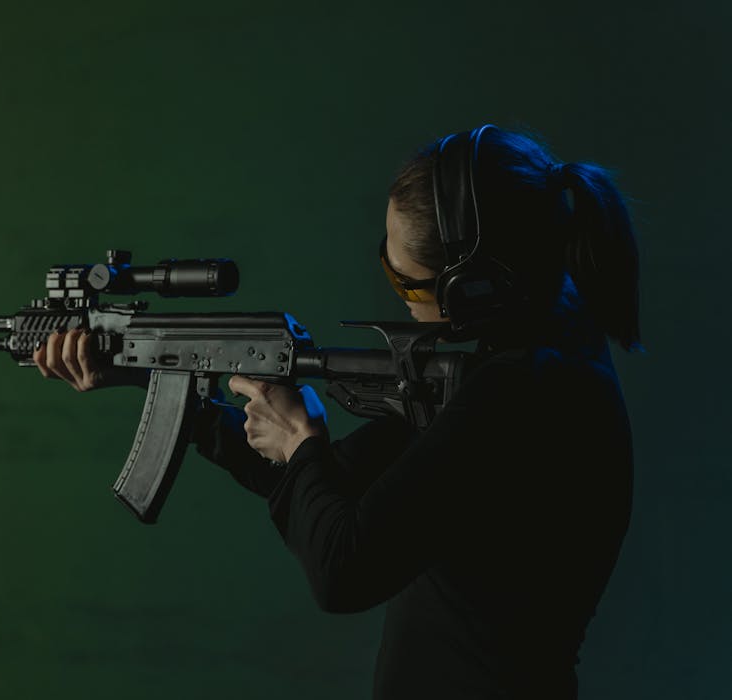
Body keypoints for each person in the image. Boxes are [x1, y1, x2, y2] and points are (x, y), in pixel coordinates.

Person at [32, 125, 641, 699]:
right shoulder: (535, 362)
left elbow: (343, 570)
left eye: (405, 282)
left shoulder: (525, 393)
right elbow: (325, 489)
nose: (396, 294)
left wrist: (301, 440)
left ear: (472, 287)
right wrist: (169, 390)